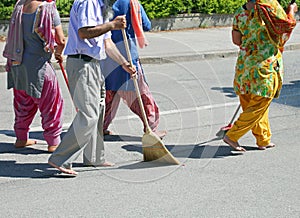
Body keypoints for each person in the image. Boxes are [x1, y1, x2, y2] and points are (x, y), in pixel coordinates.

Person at [48, 0, 136, 176]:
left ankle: (94, 156)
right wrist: (111, 25)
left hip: (94, 63)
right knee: (89, 114)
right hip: (82, 62)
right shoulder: (89, 2)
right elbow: (84, 32)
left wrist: (124, 63)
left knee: (99, 109)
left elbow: (106, 43)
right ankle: (60, 158)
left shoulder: (102, 7)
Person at [223, 0, 297, 151]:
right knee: (259, 104)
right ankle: (232, 135)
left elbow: (236, 40)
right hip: (264, 66)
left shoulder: (240, 11)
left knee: (251, 105)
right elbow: (285, 28)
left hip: (244, 66)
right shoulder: (271, 6)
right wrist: (292, 11)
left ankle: (263, 139)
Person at [2, 0, 65, 153]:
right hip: (39, 66)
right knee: (52, 104)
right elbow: (61, 39)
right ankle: (53, 142)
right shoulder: (48, 9)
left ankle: (21, 138)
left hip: (18, 64)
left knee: (23, 103)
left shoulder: (19, 6)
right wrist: (58, 53)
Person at [101, 0, 166, 139]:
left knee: (108, 95)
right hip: (128, 56)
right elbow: (146, 25)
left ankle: (101, 126)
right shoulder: (131, 3)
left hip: (106, 56)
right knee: (141, 95)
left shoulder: (101, 2)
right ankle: (151, 127)